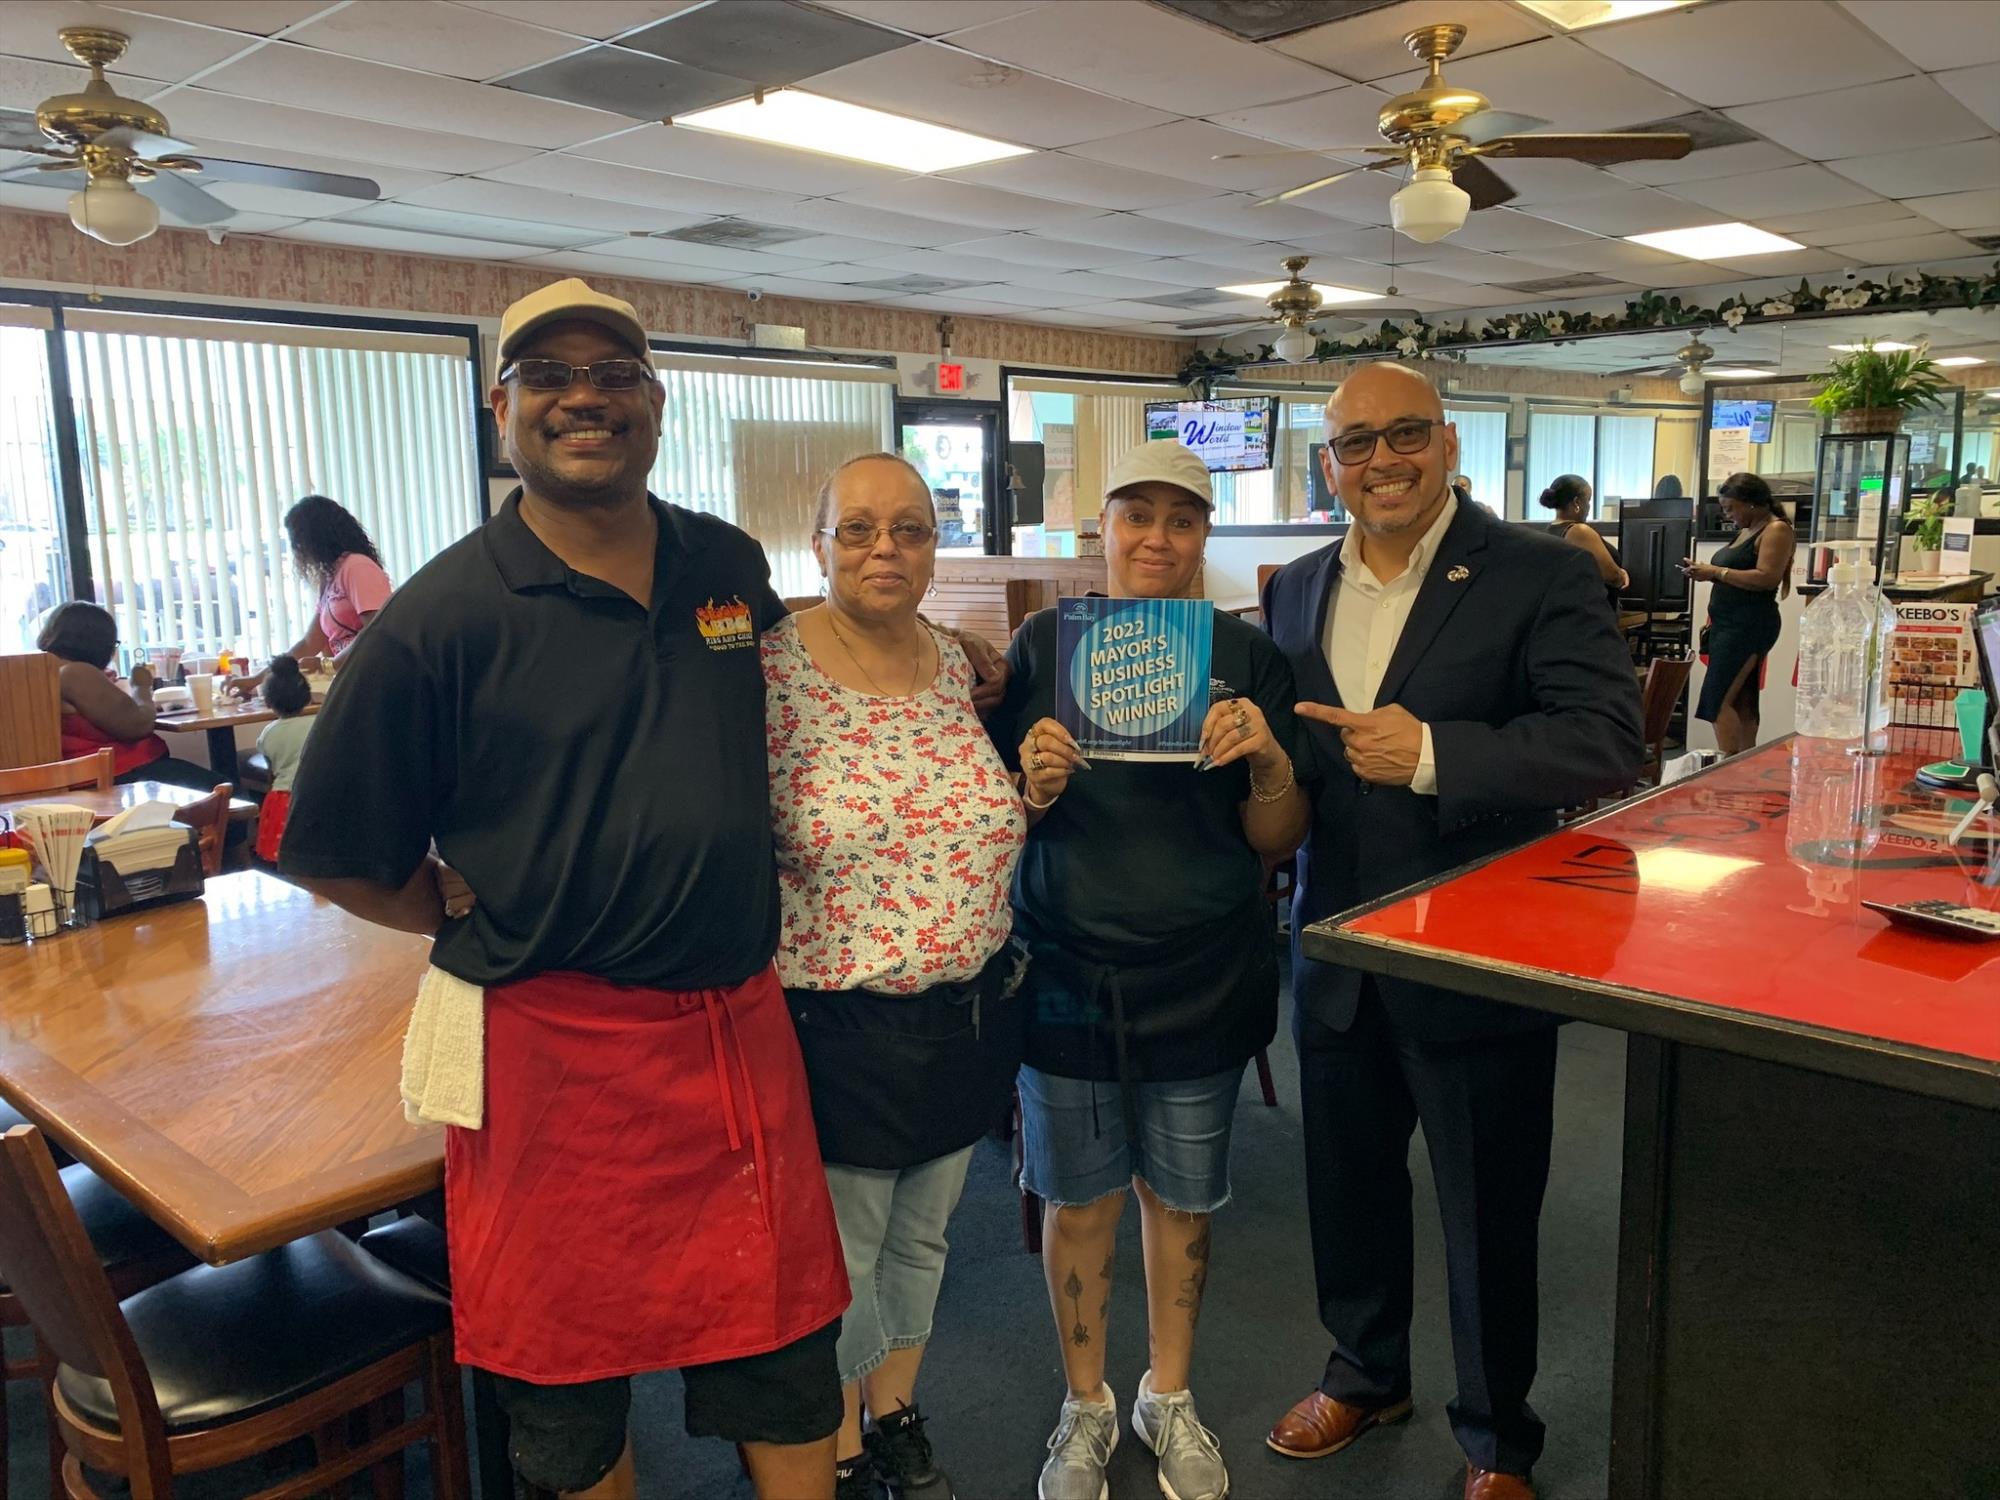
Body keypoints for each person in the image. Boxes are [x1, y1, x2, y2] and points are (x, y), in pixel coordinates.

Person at [279, 279, 850, 1500]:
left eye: (612, 375)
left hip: (735, 1035)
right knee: (563, 1401)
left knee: (790, 1364)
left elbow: (786, 693)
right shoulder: (440, 614)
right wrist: (446, 905)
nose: (582, 398)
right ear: (503, 409)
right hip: (555, 1054)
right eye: (548, 377)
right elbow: (330, 848)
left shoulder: (723, 562)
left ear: (655, 403)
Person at [1262, 364, 1641, 1500]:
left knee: (1485, 1215)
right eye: (1355, 442)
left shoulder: (1533, 571)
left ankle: (1492, 1441)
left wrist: (1431, 754)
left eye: (1405, 436)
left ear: (1449, 442)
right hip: (1333, 951)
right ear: (1328, 462)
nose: (1381, 460)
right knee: (1348, 1192)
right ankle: (1363, 1372)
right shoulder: (1294, 590)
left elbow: (1604, 742)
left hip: (1476, 954)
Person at [990, 441, 1311, 1500]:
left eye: (1181, 520)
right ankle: (1083, 1404)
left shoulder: (1246, 655)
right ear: (1104, 530)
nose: (1157, 539)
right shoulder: (1042, 642)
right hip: (1065, 972)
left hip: (1201, 971)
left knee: (1181, 1202)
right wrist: (1027, 787)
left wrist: (1265, 759)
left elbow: (1277, 836)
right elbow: (988, 823)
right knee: (1076, 1206)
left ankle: (1165, 1396)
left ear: (1204, 535)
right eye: (1137, 516)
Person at [767, 452, 1028, 1500]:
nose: (886, 549)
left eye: (910, 530)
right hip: (838, 1024)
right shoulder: (766, 671)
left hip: (966, 1013)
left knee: (923, 1236)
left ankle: (895, 1410)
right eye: (859, 529)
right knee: (845, 1255)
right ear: (818, 542)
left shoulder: (958, 663)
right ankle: (830, 1446)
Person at [35, 601, 215, 790]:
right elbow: (138, 725)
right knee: (229, 792)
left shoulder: (44, 670)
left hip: (95, 777)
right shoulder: (75, 673)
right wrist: (141, 686)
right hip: (121, 775)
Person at [225, 495, 392, 696]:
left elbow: (377, 631)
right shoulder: (331, 577)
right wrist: (256, 679)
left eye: (297, 542)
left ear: (314, 538)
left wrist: (328, 665)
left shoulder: (357, 567)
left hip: (378, 684)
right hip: (354, 684)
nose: (297, 551)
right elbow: (309, 643)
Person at [1680, 471, 1794, 758]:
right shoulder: (1749, 529)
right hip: (1728, 623)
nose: (1728, 515)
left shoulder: (1776, 530)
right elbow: (1736, 572)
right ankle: (1745, 762)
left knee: (1716, 701)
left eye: (1731, 508)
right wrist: (1707, 572)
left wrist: (1716, 572)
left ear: (1751, 503)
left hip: (1748, 625)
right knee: (1743, 699)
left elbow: (1768, 578)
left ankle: (1727, 764)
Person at [251, 655, 314, 863]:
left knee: (283, 859)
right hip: (315, 795)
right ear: (307, 697)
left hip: (283, 798)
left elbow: (271, 772)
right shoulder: (319, 724)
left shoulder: (268, 734)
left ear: (268, 701)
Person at [1537, 474, 1627, 612]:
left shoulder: (1550, 531)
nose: (1589, 507)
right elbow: (1612, 576)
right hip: (1593, 615)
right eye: (1588, 500)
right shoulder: (1579, 531)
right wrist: (1622, 575)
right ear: (1577, 502)